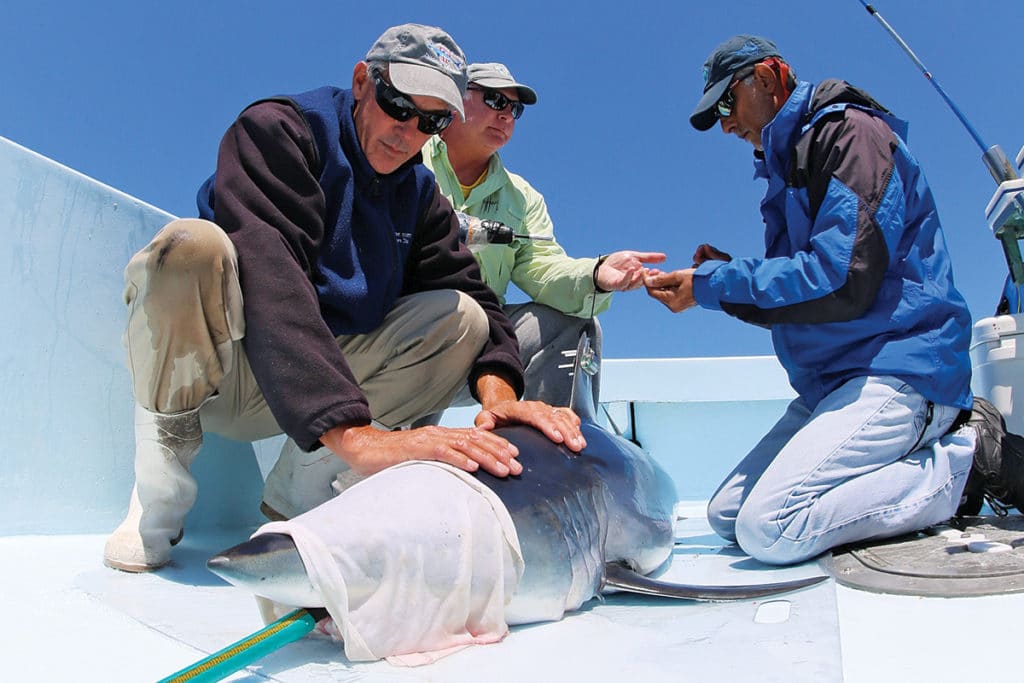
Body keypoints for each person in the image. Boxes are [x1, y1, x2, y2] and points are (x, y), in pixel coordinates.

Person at [103, 24, 585, 573]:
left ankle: (297, 500)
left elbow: (474, 292)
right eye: (399, 105)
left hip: (318, 392)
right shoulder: (278, 131)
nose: (408, 133)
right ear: (362, 81)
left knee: (463, 317)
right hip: (222, 378)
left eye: (430, 122)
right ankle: (159, 495)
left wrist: (497, 397)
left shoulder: (420, 195)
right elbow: (272, 279)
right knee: (189, 247)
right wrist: (356, 436)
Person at [644, 34, 983, 565]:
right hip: (833, 381)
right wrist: (725, 276)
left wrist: (714, 285)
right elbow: (808, 296)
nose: (727, 124)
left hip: (898, 369)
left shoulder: (852, 135)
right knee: (727, 516)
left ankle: (964, 468)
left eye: (727, 103)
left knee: (770, 529)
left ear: (769, 77)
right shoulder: (789, 164)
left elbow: (843, 279)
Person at [421, 62, 665, 407]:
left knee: (575, 321)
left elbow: (544, 268)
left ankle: (562, 448)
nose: (507, 115)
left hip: (477, 348)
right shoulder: (406, 153)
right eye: (494, 100)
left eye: (514, 108)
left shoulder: (523, 198)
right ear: (457, 99)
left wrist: (595, 275)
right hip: (395, 335)